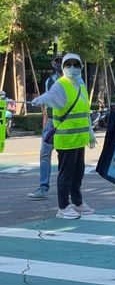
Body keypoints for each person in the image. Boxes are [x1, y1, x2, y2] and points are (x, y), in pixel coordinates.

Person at [31, 53, 96, 220]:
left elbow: (85, 112)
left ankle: (78, 202)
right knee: (66, 174)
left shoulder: (80, 85)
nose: (72, 68)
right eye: (69, 65)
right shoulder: (61, 85)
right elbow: (51, 97)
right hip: (66, 139)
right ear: (63, 67)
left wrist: (90, 132)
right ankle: (63, 206)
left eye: (76, 65)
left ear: (81, 67)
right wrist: (39, 99)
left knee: (78, 173)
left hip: (79, 138)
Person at [28, 57, 62, 199]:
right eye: (57, 63)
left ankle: (68, 188)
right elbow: (48, 102)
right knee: (44, 154)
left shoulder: (76, 81)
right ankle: (43, 187)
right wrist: (45, 122)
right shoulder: (50, 81)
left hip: (65, 124)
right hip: (51, 122)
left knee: (65, 156)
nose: (59, 66)